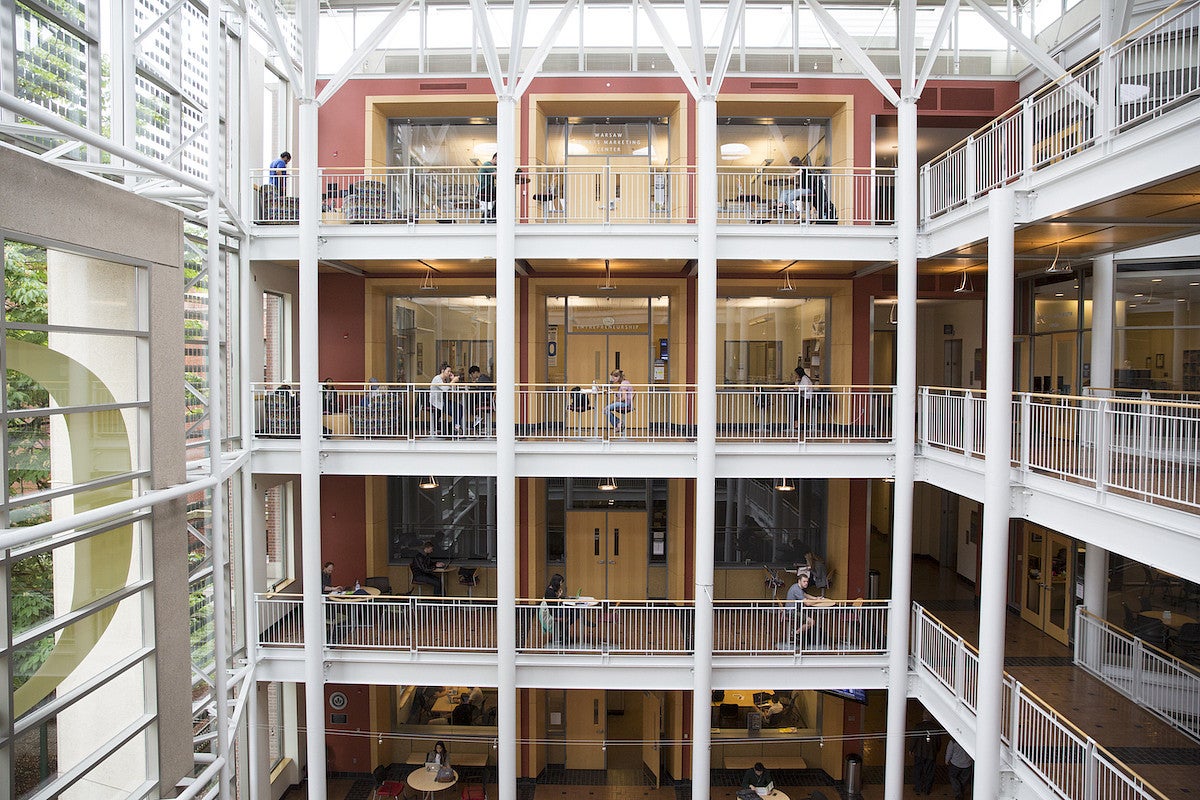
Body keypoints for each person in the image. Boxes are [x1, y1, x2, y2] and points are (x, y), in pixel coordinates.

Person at [786, 569, 822, 642]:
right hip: (792, 612)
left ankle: (798, 632)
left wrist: (816, 598)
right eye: (804, 581)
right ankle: (796, 632)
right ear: (799, 581)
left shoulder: (797, 586)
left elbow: (805, 595)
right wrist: (818, 601)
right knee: (812, 622)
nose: (806, 583)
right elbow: (807, 603)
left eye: (807, 582)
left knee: (809, 617)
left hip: (793, 610)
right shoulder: (797, 590)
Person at [910, 714, 942, 795]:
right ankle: (927, 789)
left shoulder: (918, 726)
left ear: (923, 716)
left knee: (918, 771)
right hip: (931, 753)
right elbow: (938, 741)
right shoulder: (935, 727)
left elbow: (914, 739)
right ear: (931, 717)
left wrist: (911, 749)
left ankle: (918, 788)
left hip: (919, 753)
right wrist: (937, 750)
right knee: (930, 772)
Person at [429, 363, 463, 435]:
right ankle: (456, 427)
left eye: (450, 371)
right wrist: (453, 381)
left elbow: (452, 389)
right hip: (437, 402)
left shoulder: (444, 380)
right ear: (442, 371)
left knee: (460, 407)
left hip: (443, 400)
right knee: (455, 410)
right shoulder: (437, 378)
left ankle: (457, 426)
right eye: (448, 371)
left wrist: (452, 381)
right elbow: (445, 389)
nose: (450, 373)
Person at [604, 369, 633, 433]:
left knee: (606, 409)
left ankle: (618, 423)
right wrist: (614, 393)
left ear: (618, 377)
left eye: (613, 377)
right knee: (607, 409)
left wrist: (617, 401)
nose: (612, 379)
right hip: (626, 403)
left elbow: (623, 398)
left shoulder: (623, 384)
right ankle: (618, 424)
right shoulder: (624, 383)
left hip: (625, 404)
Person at [467, 365, 493, 431]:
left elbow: (480, 390)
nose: (472, 376)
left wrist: (475, 385)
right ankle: (477, 416)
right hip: (488, 397)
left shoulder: (482, 379)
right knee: (470, 399)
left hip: (486, 398)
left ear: (474, 372)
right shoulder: (484, 377)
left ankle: (477, 416)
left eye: (471, 374)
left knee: (469, 400)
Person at [478, 153, 497, 223]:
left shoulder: (491, 166)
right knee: (502, 193)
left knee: (501, 193)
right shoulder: (488, 164)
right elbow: (495, 174)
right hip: (484, 189)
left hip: (487, 188)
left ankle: (493, 212)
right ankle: (493, 213)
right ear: (495, 158)